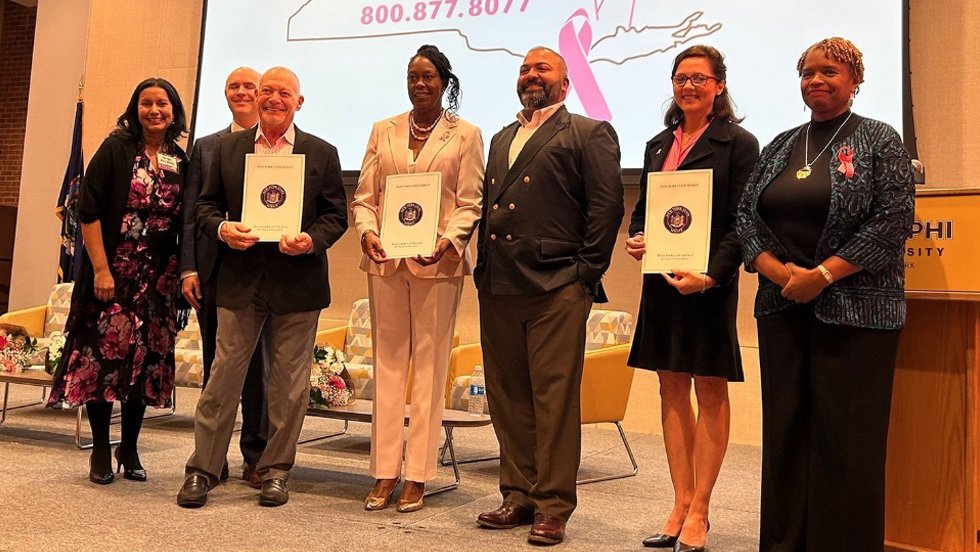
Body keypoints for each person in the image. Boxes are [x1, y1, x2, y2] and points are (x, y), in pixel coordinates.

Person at [735, 37, 914, 552]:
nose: (816, 80)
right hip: (782, 307)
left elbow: (893, 219)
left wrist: (824, 275)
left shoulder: (881, 139)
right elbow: (747, 216)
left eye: (829, 71)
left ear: (855, 80)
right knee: (787, 438)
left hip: (859, 313)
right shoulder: (780, 145)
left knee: (847, 443)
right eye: (808, 72)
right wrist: (777, 271)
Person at [176, 66, 348, 508]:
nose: (274, 98)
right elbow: (206, 206)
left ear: (299, 101)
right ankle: (203, 469)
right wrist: (222, 229)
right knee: (222, 379)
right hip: (239, 281)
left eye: (284, 92)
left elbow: (335, 216)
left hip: (298, 284)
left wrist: (312, 240)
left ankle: (275, 471)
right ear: (257, 99)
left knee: (289, 386)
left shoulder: (323, 153)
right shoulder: (230, 149)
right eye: (267, 91)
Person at [473, 46, 624, 545]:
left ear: (565, 82)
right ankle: (517, 493)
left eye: (543, 68)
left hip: (557, 284)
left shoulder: (588, 132)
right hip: (499, 284)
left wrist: (585, 272)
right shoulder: (500, 137)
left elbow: (606, 208)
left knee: (553, 399)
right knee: (507, 395)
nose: (531, 75)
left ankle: (554, 505)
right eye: (524, 68)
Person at [625, 45, 759, 552]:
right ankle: (679, 502)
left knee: (711, 389)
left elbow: (743, 222)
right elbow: (644, 212)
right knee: (670, 389)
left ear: (719, 86)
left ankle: (701, 508)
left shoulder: (739, 144)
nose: (689, 86)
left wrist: (712, 275)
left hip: (708, 286)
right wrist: (639, 239)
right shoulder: (659, 145)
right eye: (681, 78)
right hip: (662, 283)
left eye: (700, 79)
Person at [352, 44, 484, 512]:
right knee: (388, 365)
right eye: (412, 76)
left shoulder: (466, 135)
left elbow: (470, 203)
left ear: (445, 82)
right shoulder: (381, 130)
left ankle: (419, 475)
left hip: (438, 263)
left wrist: (449, 242)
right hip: (386, 260)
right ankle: (385, 471)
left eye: (428, 76)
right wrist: (367, 233)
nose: (419, 83)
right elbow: (365, 198)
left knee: (428, 369)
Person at [47, 78, 189, 485]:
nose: (154, 110)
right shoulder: (115, 149)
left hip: (158, 280)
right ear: (135, 108)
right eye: (146, 103)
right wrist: (103, 270)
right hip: (113, 273)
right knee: (103, 362)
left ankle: (129, 446)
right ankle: (100, 451)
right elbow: (87, 212)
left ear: (174, 111)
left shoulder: (181, 159)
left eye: (162, 103)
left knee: (144, 365)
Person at [180, 66, 268, 486]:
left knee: (257, 369)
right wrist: (189, 267)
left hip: (264, 275)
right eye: (234, 85)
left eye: (250, 86)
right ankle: (212, 459)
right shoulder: (207, 146)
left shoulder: (281, 148)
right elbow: (191, 212)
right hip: (215, 271)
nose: (242, 92)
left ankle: (256, 455)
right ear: (225, 93)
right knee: (218, 369)